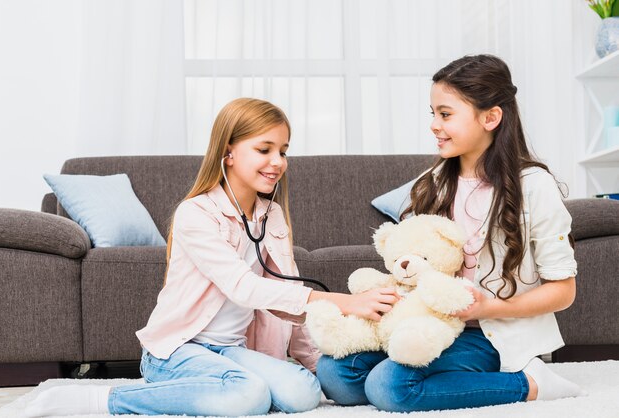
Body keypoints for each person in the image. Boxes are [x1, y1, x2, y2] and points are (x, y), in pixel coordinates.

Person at [25, 98, 400, 417]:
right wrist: (347, 304)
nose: (278, 162)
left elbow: (287, 291)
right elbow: (244, 288)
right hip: (177, 350)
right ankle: (103, 400)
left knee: (301, 395)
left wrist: (314, 364)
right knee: (249, 396)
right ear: (228, 152)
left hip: (231, 351)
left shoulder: (271, 216)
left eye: (283, 151)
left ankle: (230, 387)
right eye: (264, 149)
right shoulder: (196, 214)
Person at [316, 54, 585, 412]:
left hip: (490, 333)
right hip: (428, 323)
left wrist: (491, 306)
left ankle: (531, 384)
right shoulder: (433, 183)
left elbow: (563, 291)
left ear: (490, 117)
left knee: (389, 386)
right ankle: (434, 381)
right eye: (433, 113)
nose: (434, 125)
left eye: (445, 114)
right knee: (335, 374)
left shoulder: (533, 186)